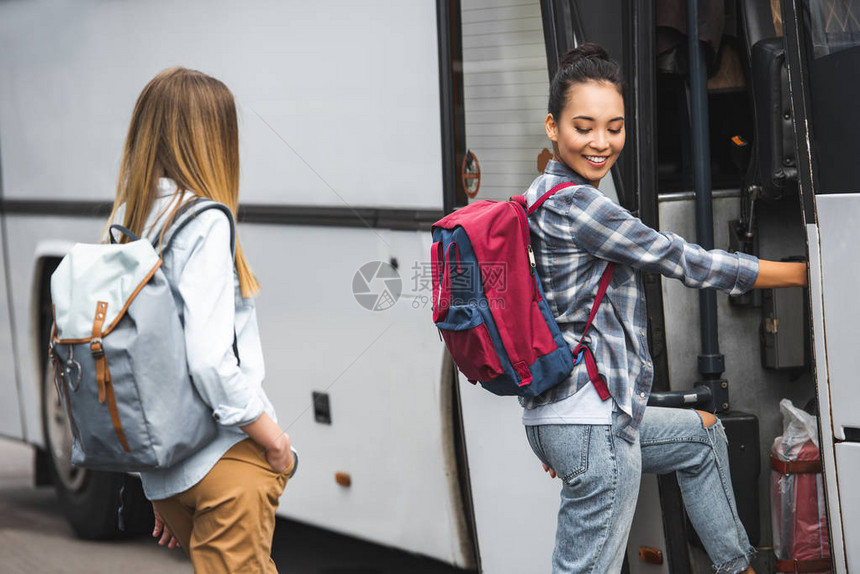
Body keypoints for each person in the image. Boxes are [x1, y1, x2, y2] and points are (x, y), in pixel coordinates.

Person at [522, 44, 806, 574]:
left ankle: (736, 567)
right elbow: (681, 259)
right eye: (584, 127)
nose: (601, 143)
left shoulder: (539, 194)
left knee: (702, 434)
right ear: (552, 128)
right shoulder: (580, 205)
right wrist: (795, 273)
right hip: (587, 420)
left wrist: (556, 428)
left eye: (615, 127)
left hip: (568, 414)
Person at [105, 67, 294, 573]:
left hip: (166, 471)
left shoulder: (128, 218)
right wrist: (275, 441)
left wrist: (167, 481)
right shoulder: (204, 219)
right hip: (225, 460)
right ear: (213, 139)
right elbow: (210, 359)